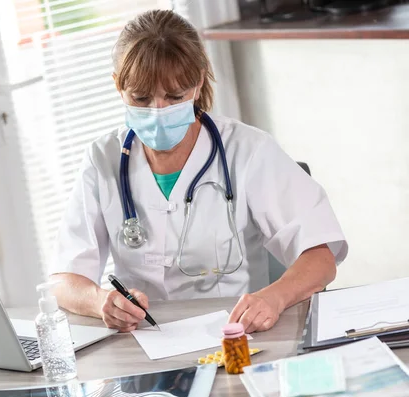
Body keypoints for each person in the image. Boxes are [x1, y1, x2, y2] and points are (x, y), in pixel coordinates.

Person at [48, 9, 347, 334]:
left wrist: (273, 298)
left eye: (174, 97)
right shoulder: (102, 159)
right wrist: (100, 301)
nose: (157, 111)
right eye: (141, 97)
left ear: (198, 82)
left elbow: (320, 255)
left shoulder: (247, 150)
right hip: (142, 342)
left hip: (234, 334)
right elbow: (64, 280)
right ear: (118, 86)